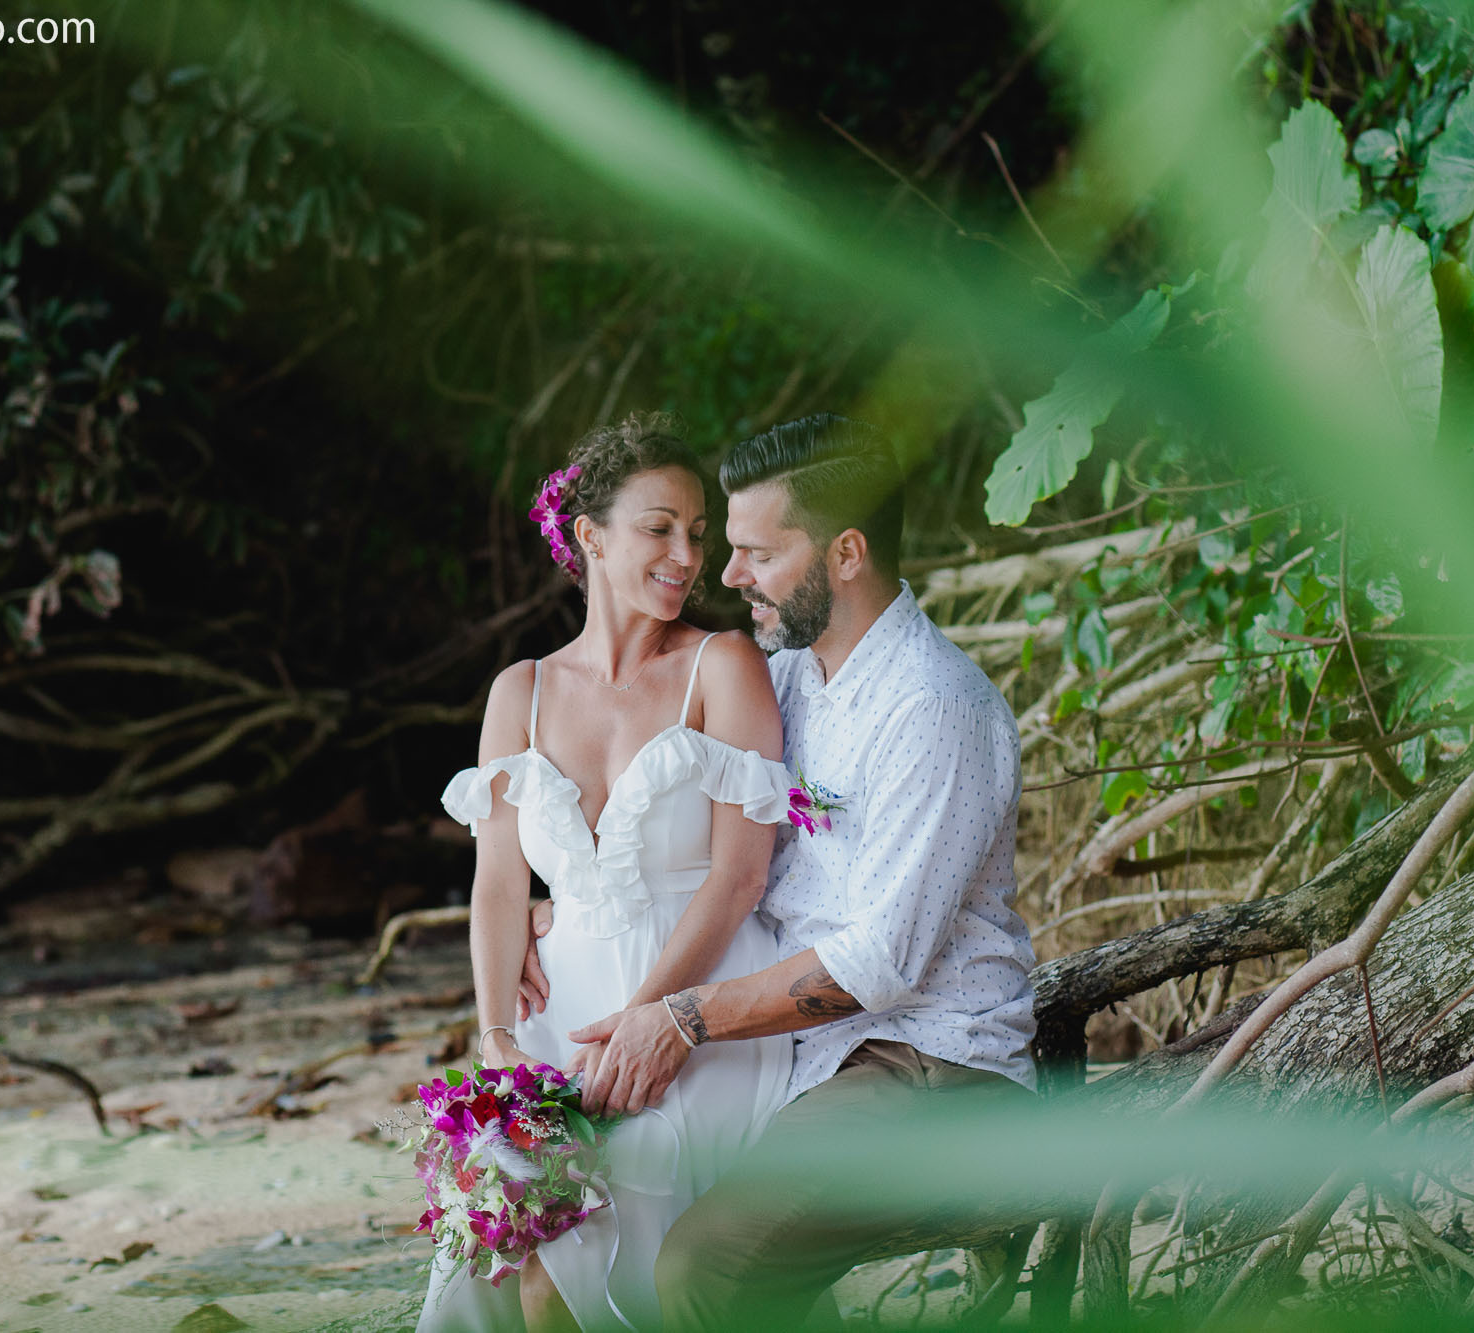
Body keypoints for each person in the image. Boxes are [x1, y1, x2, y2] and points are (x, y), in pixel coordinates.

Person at [557, 413, 1039, 1329]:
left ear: (846, 552)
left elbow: (879, 963)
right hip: (800, 1052)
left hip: (925, 1062)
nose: (728, 575)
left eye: (759, 553)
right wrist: (569, 905)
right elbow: (690, 840)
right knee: (592, 1180)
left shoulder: (933, 704)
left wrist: (684, 1019)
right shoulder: (785, 680)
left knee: (704, 1267)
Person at [417, 413, 795, 1333]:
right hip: (559, 1021)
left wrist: (643, 1025)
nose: (688, 556)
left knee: (584, 1274)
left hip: (693, 1005)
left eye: (697, 532)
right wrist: (497, 1039)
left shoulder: (723, 665)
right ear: (590, 535)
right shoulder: (521, 692)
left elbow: (740, 878)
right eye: (659, 528)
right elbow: (500, 883)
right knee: (520, 1264)